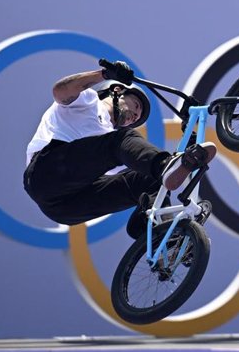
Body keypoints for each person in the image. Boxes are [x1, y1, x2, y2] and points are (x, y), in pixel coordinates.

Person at [23, 60, 216, 239]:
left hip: (66, 209)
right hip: (45, 174)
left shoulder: (110, 140)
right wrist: (105, 74)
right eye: (136, 106)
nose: (134, 117)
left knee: (150, 179)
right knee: (124, 143)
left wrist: (188, 140)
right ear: (117, 90)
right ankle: (163, 165)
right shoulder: (88, 101)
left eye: (137, 118)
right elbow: (60, 91)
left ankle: (159, 233)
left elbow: (140, 168)